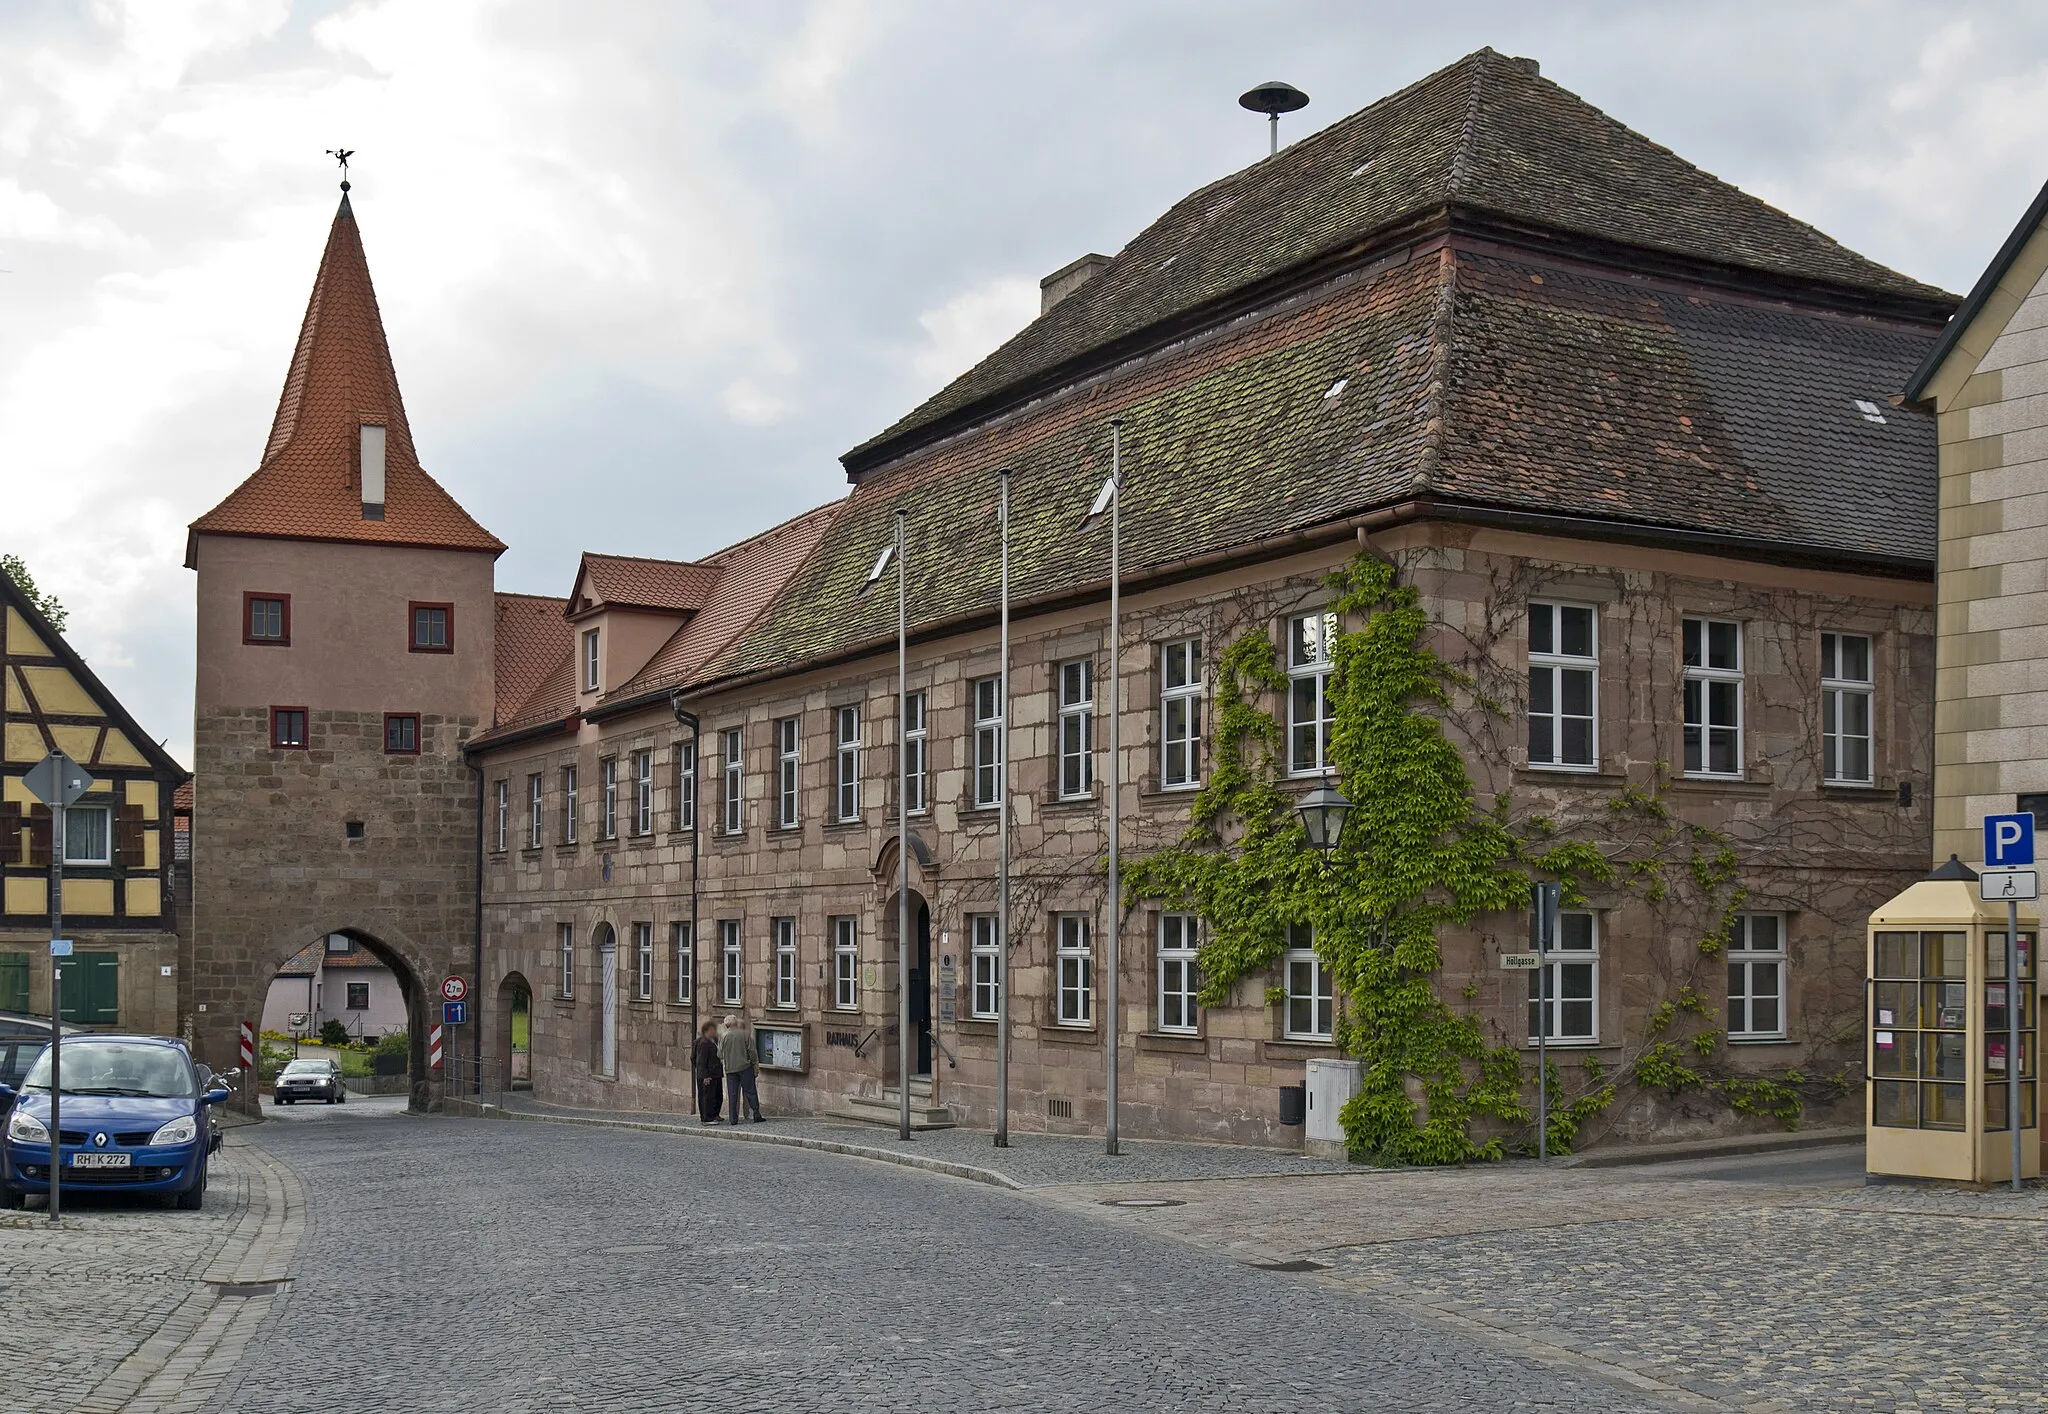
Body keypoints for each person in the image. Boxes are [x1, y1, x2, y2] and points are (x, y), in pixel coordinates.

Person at [716, 1014, 764, 1124]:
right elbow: (752, 1052)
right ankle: (756, 1114)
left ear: (726, 1025)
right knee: (750, 1091)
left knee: (733, 1094)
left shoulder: (723, 1036)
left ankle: (733, 1119)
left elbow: (720, 1054)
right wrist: (754, 1064)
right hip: (745, 1067)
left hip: (730, 1069)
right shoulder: (745, 1034)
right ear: (736, 1023)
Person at [692, 1019, 723, 1124]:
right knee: (707, 1097)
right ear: (707, 1031)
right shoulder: (704, 1043)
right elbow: (700, 1060)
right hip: (708, 1075)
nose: (715, 1031)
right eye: (713, 1030)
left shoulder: (713, 1041)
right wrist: (705, 1075)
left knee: (716, 1095)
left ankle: (714, 1114)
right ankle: (707, 1118)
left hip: (715, 1073)